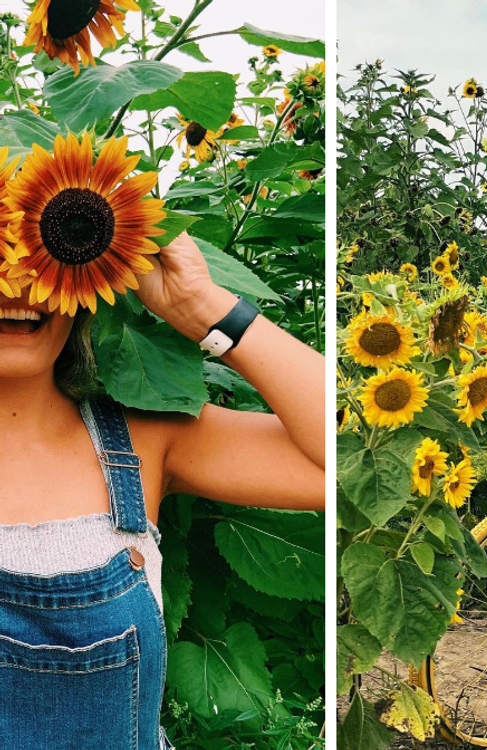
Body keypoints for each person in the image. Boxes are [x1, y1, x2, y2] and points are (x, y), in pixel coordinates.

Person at [0, 231, 325, 749]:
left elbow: (348, 462)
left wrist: (199, 307)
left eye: (44, 253)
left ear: (88, 278)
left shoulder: (142, 442)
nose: (15, 282)